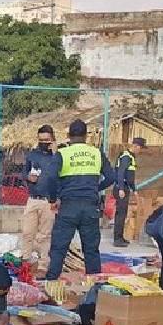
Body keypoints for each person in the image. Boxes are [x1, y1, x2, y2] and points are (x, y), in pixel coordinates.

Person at [43, 119, 115, 280]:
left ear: (69, 135)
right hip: (90, 207)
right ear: (86, 136)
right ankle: (94, 286)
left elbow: (50, 177)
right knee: (91, 249)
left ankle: (52, 281)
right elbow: (111, 177)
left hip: (68, 206)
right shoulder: (96, 153)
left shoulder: (63, 153)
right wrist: (95, 188)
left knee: (59, 247)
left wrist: (53, 198)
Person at [20, 125, 57, 264]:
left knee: (44, 235)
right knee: (27, 232)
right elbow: (23, 172)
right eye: (41, 140)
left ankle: (43, 263)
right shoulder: (32, 155)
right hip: (33, 199)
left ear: (52, 139)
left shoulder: (57, 156)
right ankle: (26, 261)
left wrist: (55, 153)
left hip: (49, 201)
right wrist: (28, 177)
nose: (43, 143)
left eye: (46, 140)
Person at [112, 136, 144, 247]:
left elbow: (130, 176)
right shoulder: (126, 157)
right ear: (136, 146)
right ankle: (117, 239)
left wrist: (134, 190)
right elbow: (121, 173)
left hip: (125, 188)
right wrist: (121, 188)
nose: (140, 151)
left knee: (123, 213)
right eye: (140, 148)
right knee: (120, 214)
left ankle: (120, 237)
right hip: (121, 188)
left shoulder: (131, 157)